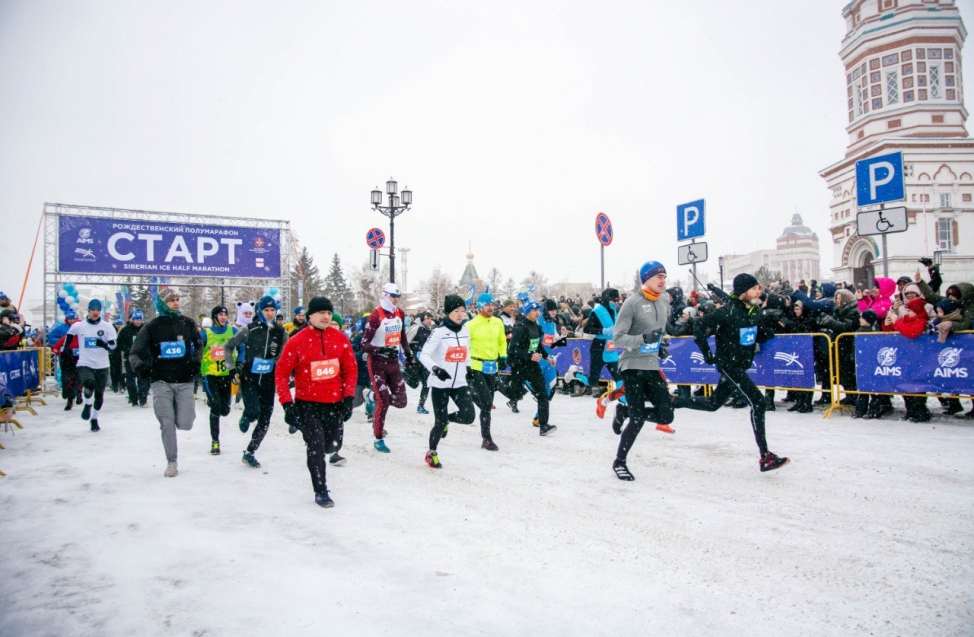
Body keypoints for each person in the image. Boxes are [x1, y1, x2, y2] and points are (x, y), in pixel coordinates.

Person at [675, 273, 790, 473]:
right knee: (759, 402)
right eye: (755, 288)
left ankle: (674, 402)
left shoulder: (754, 312)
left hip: (741, 364)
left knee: (713, 405)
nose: (759, 291)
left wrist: (766, 332)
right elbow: (699, 325)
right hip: (729, 366)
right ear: (744, 292)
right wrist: (706, 352)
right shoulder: (727, 312)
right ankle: (765, 456)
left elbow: (754, 334)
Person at [275, 296, 357, 508]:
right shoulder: (297, 340)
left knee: (333, 445)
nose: (326, 317)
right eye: (321, 313)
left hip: (334, 403)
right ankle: (321, 490)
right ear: (310, 315)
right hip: (307, 403)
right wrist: (287, 403)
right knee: (316, 446)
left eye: (329, 313)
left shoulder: (340, 338)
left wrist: (348, 397)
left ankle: (324, 448)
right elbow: (282, 373)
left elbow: (350, 369)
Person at [609, 261, 676, 481]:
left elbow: (657, 334)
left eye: (665, 277)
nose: (663, 281)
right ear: (645, 279)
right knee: (638, 420)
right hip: (632, 365)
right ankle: (619, 462)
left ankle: (624, 412)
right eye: (659, 276)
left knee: (666, 415)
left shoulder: (664, 301)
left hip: (651, 364)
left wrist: (660, 347)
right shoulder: (632, 303)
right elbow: (618, 338)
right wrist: (643, 340)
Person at [129, 290, 203, 477]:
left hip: (184, 380)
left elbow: (199, 344)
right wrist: (141, 368)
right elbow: (134, 353)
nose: (176, 303)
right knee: (166, 422)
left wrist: (196, 362)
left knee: (185, 423)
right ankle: (172, 462)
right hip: (161, 381)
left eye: (178, 300)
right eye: (171, 301)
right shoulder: (151, 327)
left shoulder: (187, 323)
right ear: (163, 304)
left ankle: (179, 414)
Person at [224, 295, 288, 468]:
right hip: (249, 378)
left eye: (272, 310)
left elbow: (284, 355)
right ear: (260, 311)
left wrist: (281, 368)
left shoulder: (281, 332)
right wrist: (231, 367)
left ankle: (250, 451)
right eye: (266, 310)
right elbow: (228, 346)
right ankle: (246, 416)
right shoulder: (248, 330)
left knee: (265, 419)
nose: (269, 314)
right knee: (254, 411)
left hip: (268, 380)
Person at [419, 295, 476, 468]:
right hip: (440, 384)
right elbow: (424, 355)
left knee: (468, 416)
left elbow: (465, 352)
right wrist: (436, 369)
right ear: (447, 313)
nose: (460, 315)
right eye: (456, 311)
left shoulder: (465, 330)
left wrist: (468, 367)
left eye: (462, 311)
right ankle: (431, 453)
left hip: (459, 383)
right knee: (439, 423)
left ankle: (447, 421)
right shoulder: (439, 332)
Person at [361, 282, 416, 453]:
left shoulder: (399, 313)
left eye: (398, 297)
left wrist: (408, 353)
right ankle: (378, 438)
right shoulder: (375, 316)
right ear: (385, 295)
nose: (396, 300)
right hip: (377, 363)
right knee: (384, 401)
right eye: (393, 296)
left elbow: (402, 336)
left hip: (393, 364)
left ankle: (372, 397)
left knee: (401, 402)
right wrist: (380, 349)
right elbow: (364, 344)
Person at [505, 300, 556, 436]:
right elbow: (513, 349)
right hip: (520, 365)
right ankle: (497, 385)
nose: (537, 313)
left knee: (543, 394)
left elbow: (538, 346)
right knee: (514, 394)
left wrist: (547, 357)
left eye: (538, 310)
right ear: (528, 312)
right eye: (534, 311)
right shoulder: (520, 328)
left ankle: (543, 425)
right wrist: (529, 355)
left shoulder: (537, 327)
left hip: (532, 365)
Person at [66, 300, 118, 431]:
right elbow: (69, 337)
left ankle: (94, 418)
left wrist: (104, 345)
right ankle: (87, 405)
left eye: (98, 310)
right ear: (88, 311)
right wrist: (66, 350)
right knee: (89, 384)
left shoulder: (107, 327)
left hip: (102, 365)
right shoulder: (79, 326)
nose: (95, 312)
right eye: (93, 309)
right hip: (85, 363)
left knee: (99, 395)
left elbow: (113, 347)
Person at [464, 292, 507, 451]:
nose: (491, 307)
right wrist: (467, 365)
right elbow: (465, 347)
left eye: (492, 304)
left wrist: (503, 356)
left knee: (486, 404)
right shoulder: (470, 325)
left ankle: (471, 394)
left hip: (492, 368)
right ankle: (486, 438)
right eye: (487, 304)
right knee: (487, 403)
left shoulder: (498, 322)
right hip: (476, 367)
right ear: (480, 306)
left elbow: (502, 342)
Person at [200, 306, 242, 455]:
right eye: (220, 314)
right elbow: (197, 350)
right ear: (214, 317)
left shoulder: (233, 331)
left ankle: (222, 405)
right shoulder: (206, 334)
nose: (223, 317)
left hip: (226, 375)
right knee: (216, 406)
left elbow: (242, 346)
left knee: (224, 410)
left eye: (225, 314)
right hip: (210, 375)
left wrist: (239, 363)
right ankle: (215, 441)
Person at [585, 288, 622, 398]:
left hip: (610, 348)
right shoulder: (597, 311)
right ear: (607, 299)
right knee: (593, 381)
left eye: (617, 300)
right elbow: (587, 329)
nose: (616, 303)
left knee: (619, 378)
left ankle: (625, 404)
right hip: (598, 348)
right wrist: (603, 331)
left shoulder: (614, 311)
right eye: (614, 300)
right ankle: (574, 374)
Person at [116, 309, 150, 407]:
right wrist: (128, 350)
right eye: (136, 319)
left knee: (144, 379)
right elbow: (119, 344)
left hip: (144, 358)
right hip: (130, 358)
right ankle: (133, 399)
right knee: (130, 380)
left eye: (140, 319)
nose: (138, 321)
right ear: (132, 319)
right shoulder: (126, 330)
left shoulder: (146, 329)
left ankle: (143, 399)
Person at [51, 310, 82, 410]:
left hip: (80, 360)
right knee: (69, 380)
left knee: (79, 379)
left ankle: (79, 395)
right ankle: (69, 400)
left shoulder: (83, 337)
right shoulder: (65, 337)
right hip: (68, 361)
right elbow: (55, 348)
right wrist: (63, 354)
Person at [405, 311, 433, 414]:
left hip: (424, 361)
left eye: (430, 319)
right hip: (414, 360)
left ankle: (421, 406)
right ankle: (404, 374)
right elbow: (405, 342)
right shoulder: (415, 328)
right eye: (428, 319)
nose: (430, 321)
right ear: (423, 319)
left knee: (427, 383)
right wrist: (409, 355)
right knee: (414, 384)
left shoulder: (429, 331)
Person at [109, 317, 124, 392]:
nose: (119, 326)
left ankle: (121, 384)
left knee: (121, 370)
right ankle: (114, 384)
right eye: (118, 324)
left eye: (120, 324)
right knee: (114, 370)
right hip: (113, 353)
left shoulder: (123, 330)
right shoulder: (112, 330)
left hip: (121, 352)